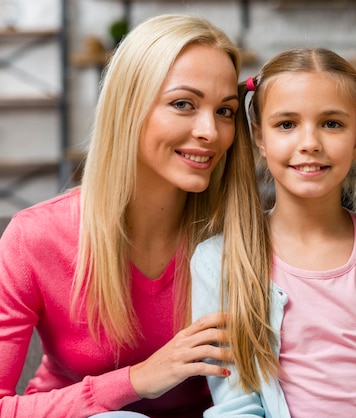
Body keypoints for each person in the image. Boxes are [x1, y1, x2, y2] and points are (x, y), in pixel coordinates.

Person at [0, 13, 262, 417]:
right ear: (128, 107)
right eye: (183, 104)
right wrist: (138, 379)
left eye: (225, 111)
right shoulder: (35, 238)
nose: (211, 132)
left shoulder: (241, 235)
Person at [191, 47, 356, 417]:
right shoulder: (218, 261)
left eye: (332, 123)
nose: (310, 143)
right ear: (259, 138)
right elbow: (236, 404)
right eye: (286, 124)